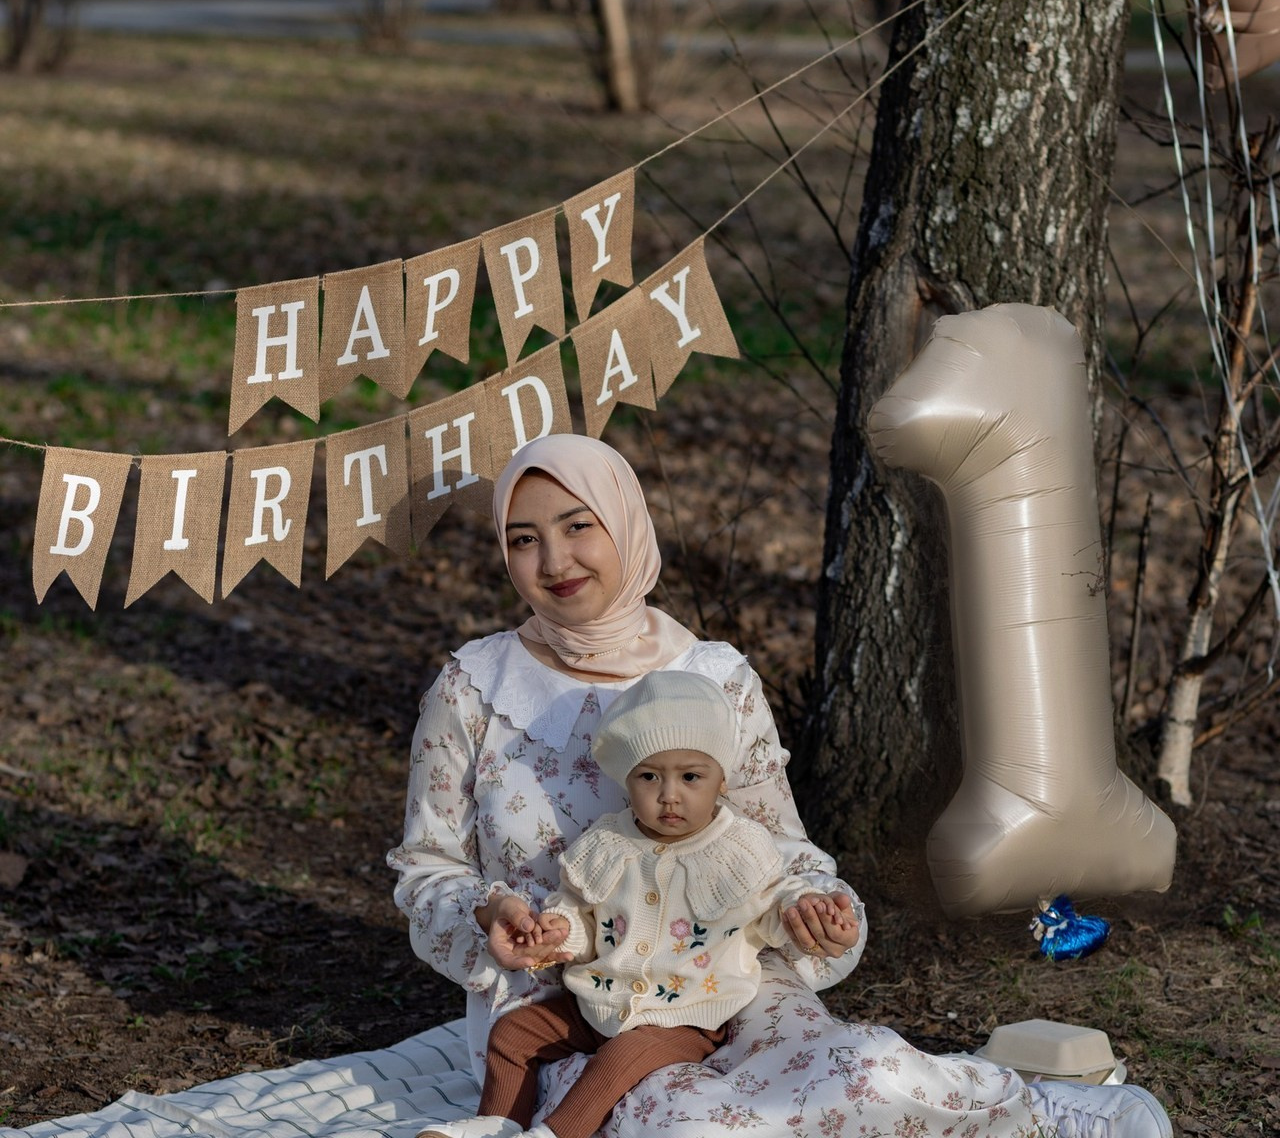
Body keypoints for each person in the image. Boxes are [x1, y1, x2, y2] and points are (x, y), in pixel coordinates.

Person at [387, 432, 1175, 1138]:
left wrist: (812, 912)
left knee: (870, 1076)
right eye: (524, 540)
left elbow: (781, 848)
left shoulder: (715, 678)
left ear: (624, 523)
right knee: (690, 1127)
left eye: (577, 526)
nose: (555, 562)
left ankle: (1037, 1113)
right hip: (571, 1003)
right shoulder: (473, 687)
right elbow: (428, 867)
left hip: (729, 975)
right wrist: (489, 914)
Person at [419, 669, 844, 1138]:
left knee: (618, 1059)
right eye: (649, 776)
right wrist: (559, 934)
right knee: (513, 1033)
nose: (669, 795)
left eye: (690, 776)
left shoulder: (740, 847)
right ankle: (497, 1123)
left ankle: (555, 1134)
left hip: (686, 1018)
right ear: (626, 778)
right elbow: (580, 916)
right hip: (596, 1005)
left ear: (721, 780)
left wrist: (806, 911)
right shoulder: (604, 843)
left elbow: (773, 910)